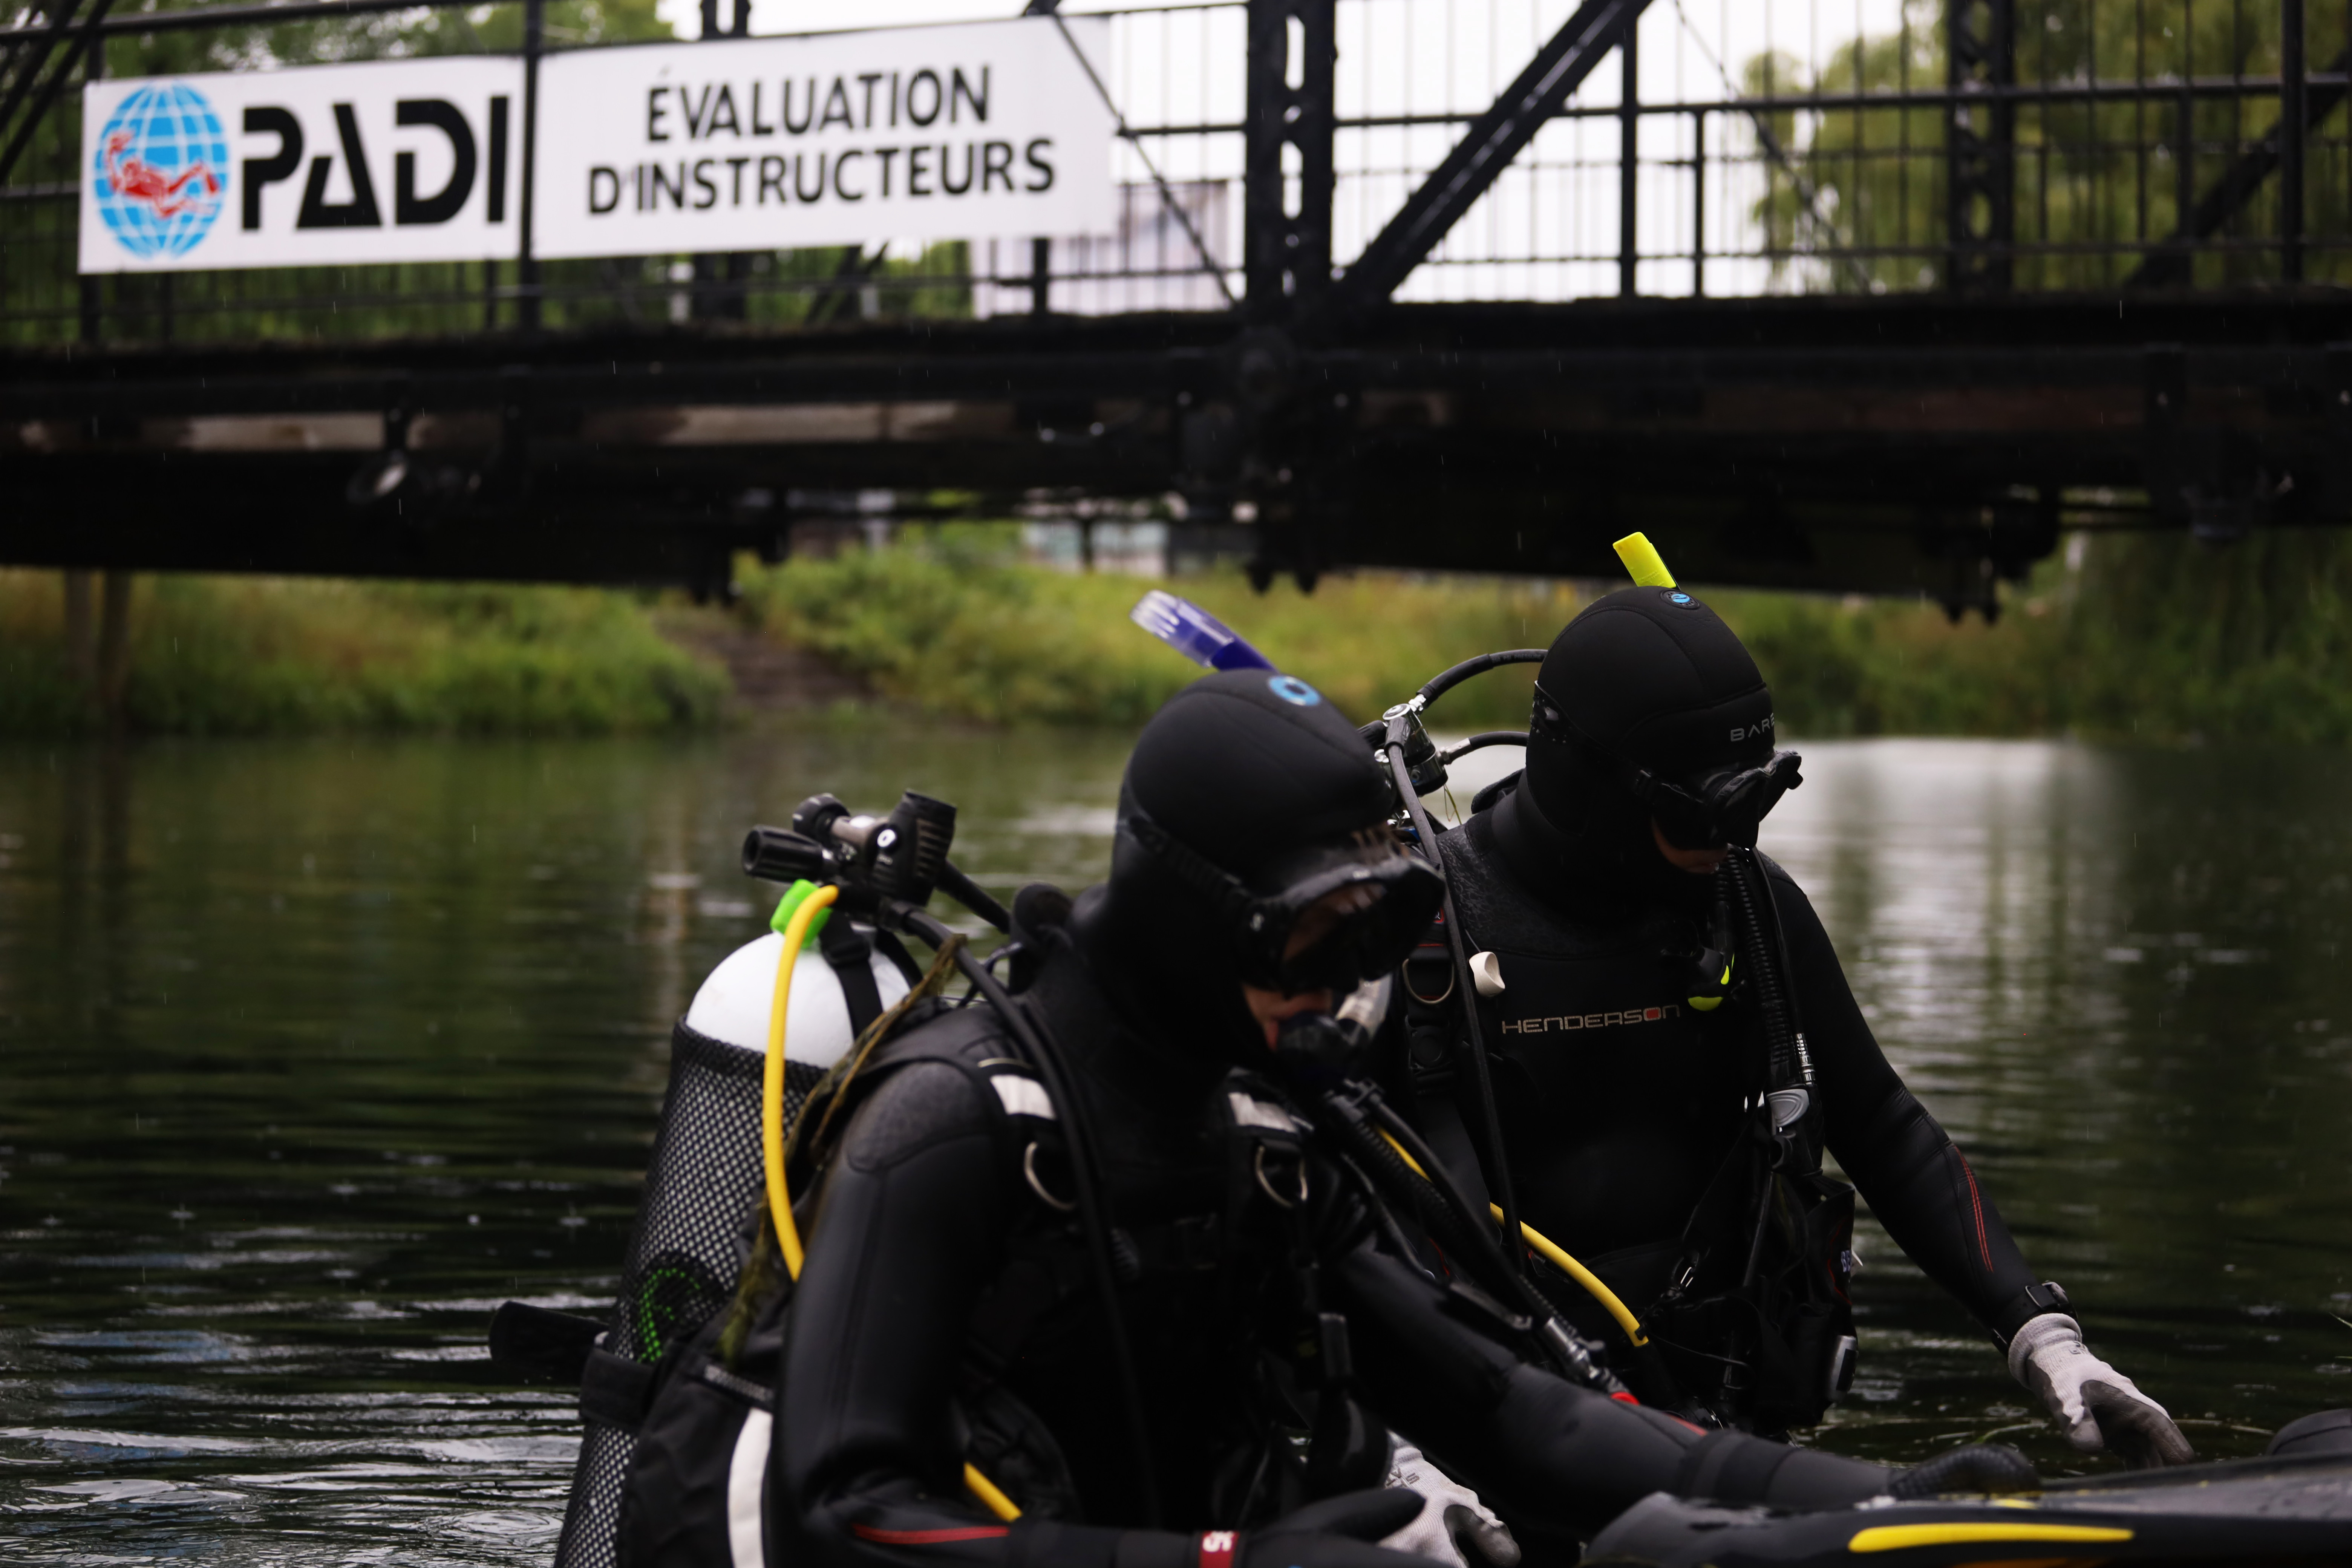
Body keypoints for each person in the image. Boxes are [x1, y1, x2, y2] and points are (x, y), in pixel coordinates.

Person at [762, 669, 2000, 1568]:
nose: (1343, 979)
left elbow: (1516, 1416)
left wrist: (1869, 1501)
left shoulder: (1271, 1139)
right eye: (1321, 929)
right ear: (1197, 915)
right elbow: (838, 1516)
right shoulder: (947, 1129)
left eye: (1385, 927)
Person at [1393, 583, 2193, 1467]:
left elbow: (1885, 1127)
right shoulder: (1420, 932)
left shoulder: (1748, 906)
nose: (1733, 840)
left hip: (1720, 1432)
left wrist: (2042, 1333)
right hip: (1476, 1439)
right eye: (1703, 812)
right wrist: (1401, 1453)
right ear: (1594, 784)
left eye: (1755, 806)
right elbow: (1333, 1230)